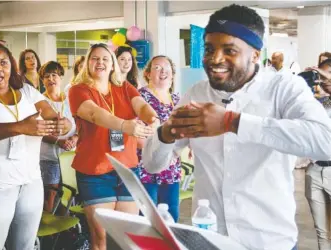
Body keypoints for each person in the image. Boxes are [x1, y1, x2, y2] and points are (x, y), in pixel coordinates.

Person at [142, 4, 331, 250]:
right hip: (209, 239)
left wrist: (232, 122)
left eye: (229, 50)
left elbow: (325, 142)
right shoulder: (197, 94)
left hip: (269, 242)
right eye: (209, 49)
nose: (215, 59)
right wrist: (166, 134)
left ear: (255, 54)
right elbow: (153, 165)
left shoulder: (283, 88)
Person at [0, 41, 72, 250]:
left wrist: (64, 125)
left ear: (12, 66)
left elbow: (56, 119)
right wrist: (21, 127)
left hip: (30, 182)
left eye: (3, 62)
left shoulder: (27, 92)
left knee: (24, 246)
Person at [69, 43, 158, 250]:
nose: (100, 62)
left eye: (105, 59)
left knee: (127, 237)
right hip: (95, 171)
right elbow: (93, 113)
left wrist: (152, 118)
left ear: (112, 65)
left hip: (127, 169)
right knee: (101, 237)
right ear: (87, 63)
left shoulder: (124, 87)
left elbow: (141, 106)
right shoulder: (78, 90)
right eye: (94, 58)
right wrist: (125, 125)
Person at [137, 55, 181, 222]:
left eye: (167, 68)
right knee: (148, 221)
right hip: (146, 169)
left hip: (171, 169)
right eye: (157, 67)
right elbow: (138, 133)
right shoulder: (140, 98)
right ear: (147, 73)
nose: (163, 71)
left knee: (172, 219)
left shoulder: (177, 99)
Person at [39, 61, 78, 212]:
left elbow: (80, 125)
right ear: (42, 80)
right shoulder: (40, 102)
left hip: (70, 155)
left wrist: (74, 139)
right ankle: (47, 232)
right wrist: (58, 141)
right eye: (46, 76)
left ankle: (66, 229)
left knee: (69, 195)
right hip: (48, 157)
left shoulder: (70, 100)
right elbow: (38, 130)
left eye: (54, 75)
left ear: (61, 77)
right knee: (50, 195)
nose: (51, 79)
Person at [305, 58, 331, 250]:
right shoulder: (320, 104)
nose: (324, 80)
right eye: (320, 77)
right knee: (321, 231)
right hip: (314, 170)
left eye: (327, 75)